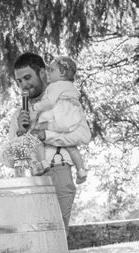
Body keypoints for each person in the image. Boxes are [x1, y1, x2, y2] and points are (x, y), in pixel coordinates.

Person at [5, 52, 92, 253]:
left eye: (28, 77)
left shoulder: (61, 101)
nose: (24, 86)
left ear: (44, 73)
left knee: (56, 243)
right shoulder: (20, 115)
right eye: (19, 81)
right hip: (32, 181)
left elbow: (83, 135)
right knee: (36, 247)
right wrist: (21, 133)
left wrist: (45, 133)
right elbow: (9, 157)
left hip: (59, 174)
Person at [31, 56, 89, 184]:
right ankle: (81, 170)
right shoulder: (71, 87)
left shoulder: (55, 86)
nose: (48, 73)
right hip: (72, 118)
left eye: (51, 70)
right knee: (71, 146)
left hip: (59, 118)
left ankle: (43, 163)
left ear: (62, 73)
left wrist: (35, 107)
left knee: (36, 135)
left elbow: (49, 102)